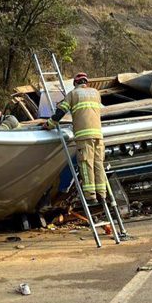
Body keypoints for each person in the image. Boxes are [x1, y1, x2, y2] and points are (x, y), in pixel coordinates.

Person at [43, 72, 105, 206]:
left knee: (86, 163)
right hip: (98, 135)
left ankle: (91, 196)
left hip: (84, 136)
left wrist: (49, 125)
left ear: (75, 83)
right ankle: (102, 194)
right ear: (86, 82)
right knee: (98, 163)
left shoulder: (73, 94)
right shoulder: (96, 93)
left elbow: (60, 112)